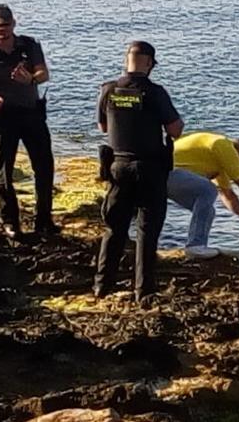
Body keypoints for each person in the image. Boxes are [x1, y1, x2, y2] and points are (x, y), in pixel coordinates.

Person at [94, 41, 184, 302]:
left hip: (118, 167)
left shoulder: (109, 90)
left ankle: (102, 286)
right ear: (148, 63)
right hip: (150, 168)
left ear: (127, 61)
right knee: (147, 231)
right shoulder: (155, 93)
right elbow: (175, 129)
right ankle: (143, 291)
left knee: (114, 229)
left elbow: (102, 127)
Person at [0, 4, 56, 239]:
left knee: (44, 168)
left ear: (13, 24)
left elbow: (43, 74)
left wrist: (30, 79)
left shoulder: (28, 45)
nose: (2, 30)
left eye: (5, 25)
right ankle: (10, 222)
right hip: (2, 117)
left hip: (31, 114)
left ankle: (44, 220)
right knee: (3, 172)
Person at [168, 132, 239, 258]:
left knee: (208, 210)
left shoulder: (219, 163)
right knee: (209, 189)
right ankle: (195, 246)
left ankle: (192, 247)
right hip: (166, 171)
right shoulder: (225, 146)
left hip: (158, 176)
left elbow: (228, 196)